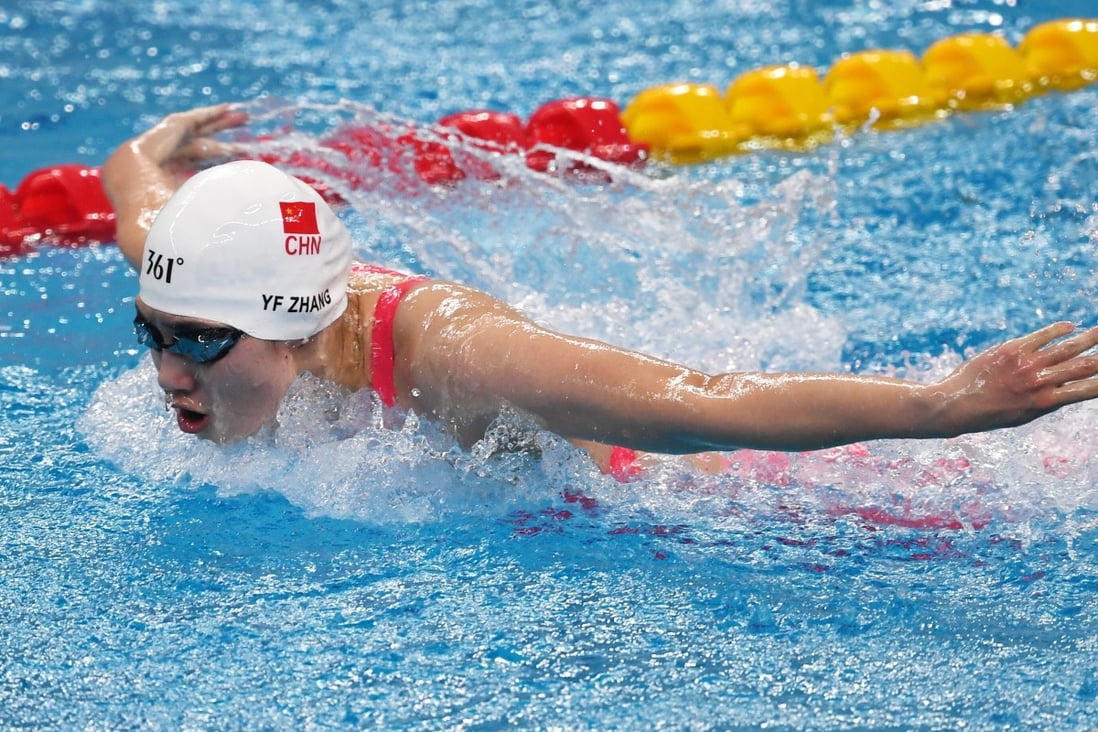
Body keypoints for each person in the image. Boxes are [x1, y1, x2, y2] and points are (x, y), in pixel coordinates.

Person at [101, 103, 1098, 476]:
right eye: (153, 333)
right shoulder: (211, 280)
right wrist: (146, 151)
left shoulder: (452, 352)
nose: (164, 373)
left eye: (194, 346)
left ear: (296, 327)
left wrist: (941, 407)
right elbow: (136, 201)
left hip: (677, 483)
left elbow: (695, 405)